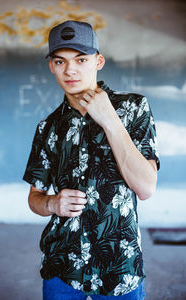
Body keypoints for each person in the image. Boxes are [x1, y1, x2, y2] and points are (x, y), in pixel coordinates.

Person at [23, 20, 160, 300]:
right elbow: (34, 196)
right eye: (60, 61)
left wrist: (109, 119)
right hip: (62, 269)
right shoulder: (47, 127)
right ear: (52, 66)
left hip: (120, 269)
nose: (70, 70)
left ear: (98, 61)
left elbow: (146, 188)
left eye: (81, 59)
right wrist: (52, 203)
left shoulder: (134, 108)